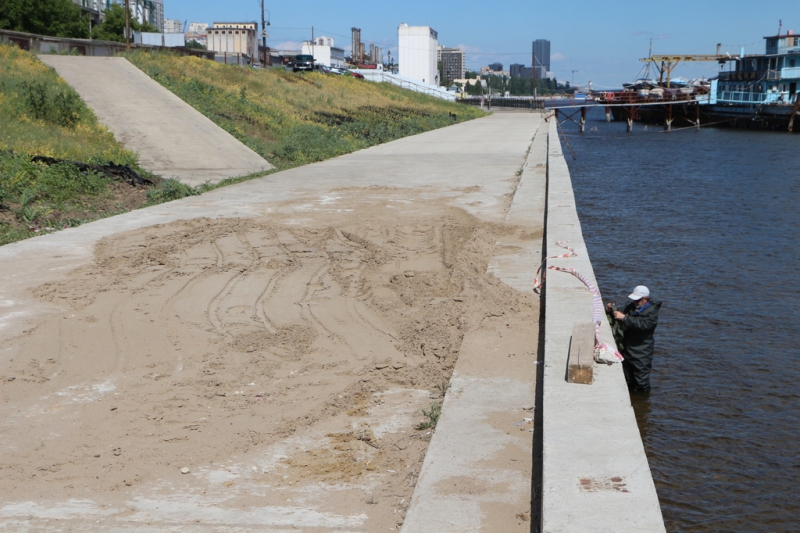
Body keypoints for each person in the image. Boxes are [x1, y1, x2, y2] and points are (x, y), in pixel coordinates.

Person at [606, 285, 661, 393]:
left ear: (645, 299)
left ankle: (643, 403)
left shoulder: (652, 313)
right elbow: (618, 313)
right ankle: (633, 401)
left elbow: (643, 325)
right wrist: (609, 310)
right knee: (628, 379)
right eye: (634, 299)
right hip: (627, 350)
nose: (635, 302)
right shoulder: (630, 306)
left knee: (641, 382)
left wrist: (625, 318)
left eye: (637, 300)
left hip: (642, 351)